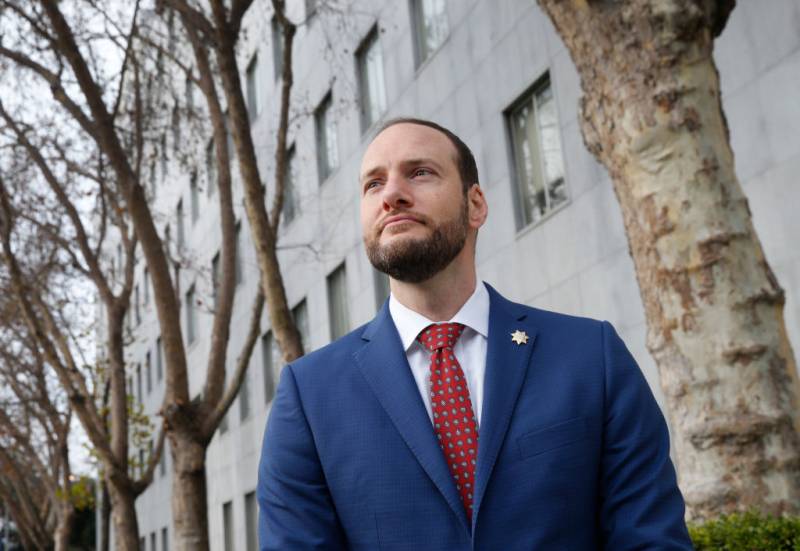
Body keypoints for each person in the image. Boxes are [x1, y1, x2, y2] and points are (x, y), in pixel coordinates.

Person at [257, 118, 693, 550]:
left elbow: (651, 540)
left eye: (420, 172)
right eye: (373, 184)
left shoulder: (590, 357)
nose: (391, 194)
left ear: (476, 204)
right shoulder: (309, 396)